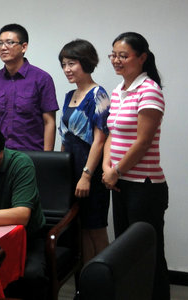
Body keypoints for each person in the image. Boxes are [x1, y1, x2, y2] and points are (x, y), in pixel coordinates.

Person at [102, 32, 169, 300]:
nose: (116, 60)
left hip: (144, 186)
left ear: (142, 58)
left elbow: (143, 142)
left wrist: (116, 171)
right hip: (120, 183)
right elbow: (112, 134)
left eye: (123, 56)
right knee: (126, 252)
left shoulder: (149, 90)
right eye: (114, 55)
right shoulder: (118, 90)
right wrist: (107, 169)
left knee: (148, 254)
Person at [58, 39, 110, 264]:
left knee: (95, 227)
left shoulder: (99, 94)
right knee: (80, 229)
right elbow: (65, 137)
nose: (67, 69)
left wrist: (86, 176)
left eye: (72, 63)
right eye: (63, 64)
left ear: (86, 62)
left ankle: (106, 277)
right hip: (70, 169)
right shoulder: (69, 95)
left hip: (90, 171)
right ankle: (87, 279)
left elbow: (100, 140)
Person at [0, 23, 59, 151]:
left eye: (9, 42)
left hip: (31, 154)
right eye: (0, 43)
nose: (3, 47)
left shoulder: (42, 79)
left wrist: (47, 157)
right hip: (0, 154)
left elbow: (49, 122)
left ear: (24, 47)